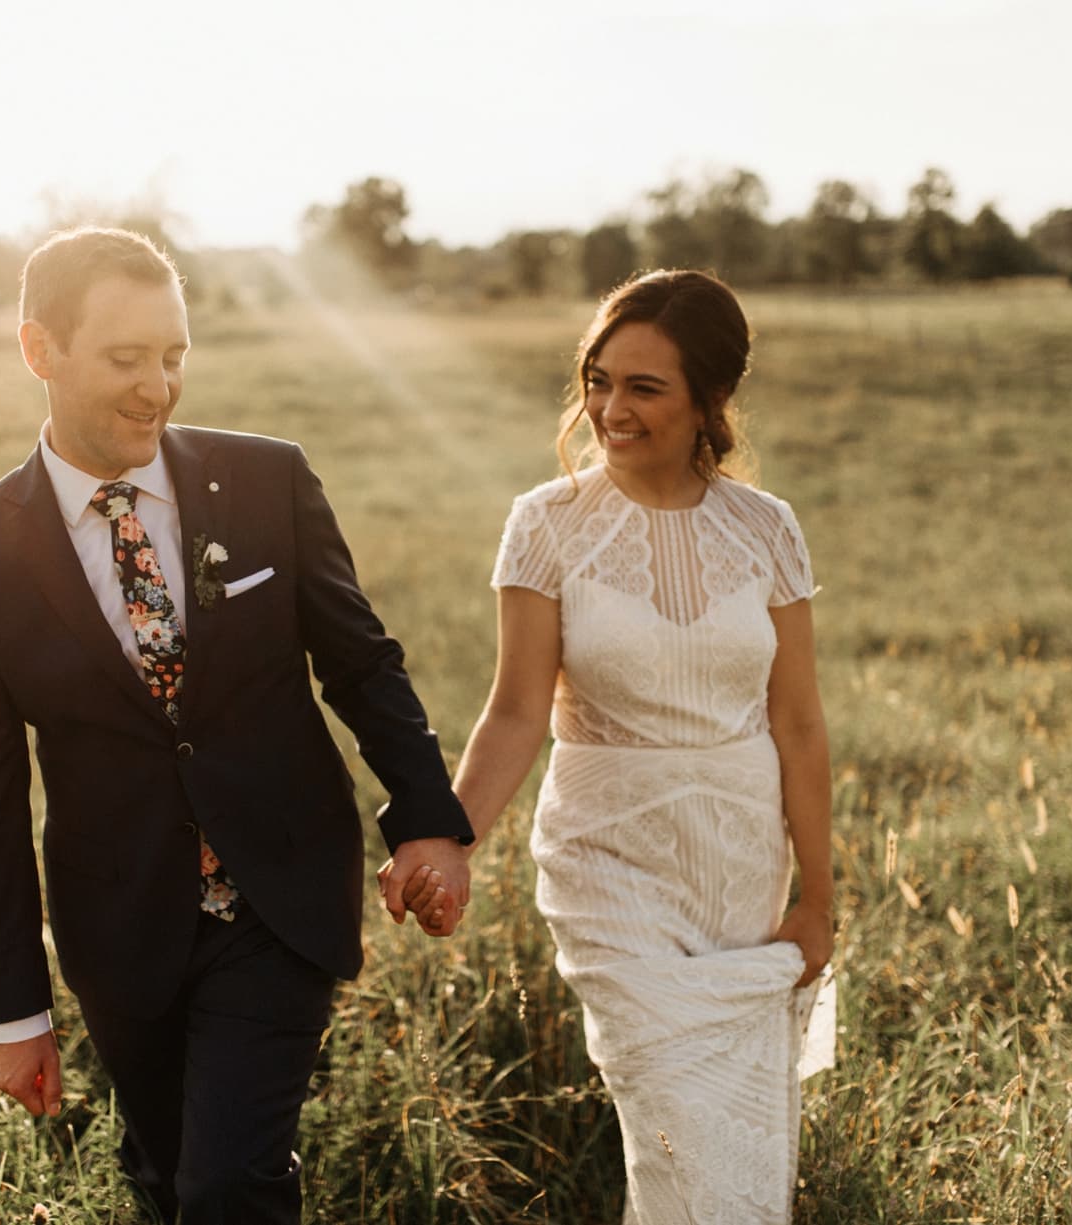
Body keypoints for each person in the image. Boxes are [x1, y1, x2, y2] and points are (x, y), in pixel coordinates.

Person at [0, 226, 472, 1224]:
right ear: (38, 350)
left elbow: (360, 660)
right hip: (120, 925)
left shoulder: (266, 480)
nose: (157, 387)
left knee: (228, 1186)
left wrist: (424, 818)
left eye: (174, 357)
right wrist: (14, 1010)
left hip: (279, 898)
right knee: (167, 1178)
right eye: (126, 359)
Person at [394, 269, 837, 1222]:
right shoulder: (545, 525)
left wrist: (820, 899)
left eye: (644, 386)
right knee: (674, 1102)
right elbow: (514, 712)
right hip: (606, 860)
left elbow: (798, 724)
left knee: (733, 1137)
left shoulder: (769, 532)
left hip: (736, 865)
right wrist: (449, 840)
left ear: (709, 399)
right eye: (599, 379)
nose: (609, 408)